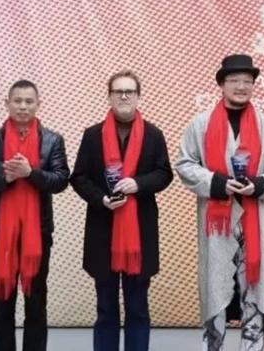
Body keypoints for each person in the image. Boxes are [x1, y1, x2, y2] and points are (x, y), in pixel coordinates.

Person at [176, 54, 264, 351]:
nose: (241, 86)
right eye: (234, 80)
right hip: (216, 219)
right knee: (216, 286)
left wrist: (258, 184)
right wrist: (217, 183)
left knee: (254, 288)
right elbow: (185, 164)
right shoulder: (200, 124)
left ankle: (251, 345)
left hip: (253, 217)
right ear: (222, 84)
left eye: (247, 81)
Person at [70, 70, 173, 351]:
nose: (124, 96)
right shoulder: (92, 136)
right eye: (118, 91)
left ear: (138, 97)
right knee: (105, 308)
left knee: (137, 308)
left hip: (140, 234)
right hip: (102, 232)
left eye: (130, 91)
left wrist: (139, 184)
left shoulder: (153, 134)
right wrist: (102, 199)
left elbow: (164, 174)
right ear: (109, 96)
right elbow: (79, 178)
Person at [0, 79, 69, 351]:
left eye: (29, 101)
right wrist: (6, 177)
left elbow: (61, 181)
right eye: (17, 101)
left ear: (38, 104)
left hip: (38, 234)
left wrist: (30, 173)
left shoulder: (53, 140)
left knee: (36, 304)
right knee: (3, 304)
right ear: (7, 104)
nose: (23, 106)